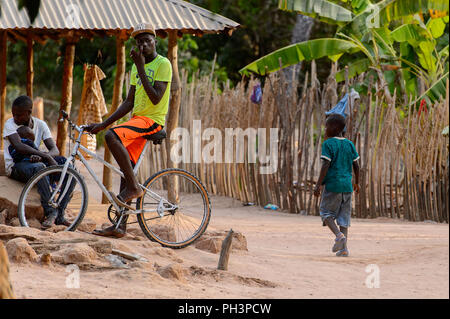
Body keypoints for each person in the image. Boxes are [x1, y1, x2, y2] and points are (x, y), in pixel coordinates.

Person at [86, 23, 173, 238]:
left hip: (153, 120)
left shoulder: (163, 64)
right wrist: (102, 124)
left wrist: (141, 66)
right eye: (139, 41)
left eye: (147, 40)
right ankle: (120, 226)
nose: (143, 45)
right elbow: (129, 102)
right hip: (137, 120)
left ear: (155, 42)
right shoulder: (136, 67)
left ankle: (134, 188)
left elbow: (155, 97)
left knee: (111, 137)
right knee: (127, 170)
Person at [3, 95, 72, 228]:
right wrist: (44, 156)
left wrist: (44, 156)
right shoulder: (10, 124)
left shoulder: (41, 124)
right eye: (13, 114)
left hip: (35, 162)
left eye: (19, 115)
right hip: (16, 166)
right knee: (40, 167)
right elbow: (19, 146)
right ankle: (50, 212)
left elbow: (54, 149)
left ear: (29, 112)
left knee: (69, 168)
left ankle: (60, 214)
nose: (15, 118)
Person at [313, 113, 360, 257]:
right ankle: (344, 249)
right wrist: (357, 182)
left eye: (326, 126)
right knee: (344, 217)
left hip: (333, 184)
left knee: (326, 213)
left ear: (334, 127)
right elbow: (357, 165)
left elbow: (326, 164)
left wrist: (318, 184)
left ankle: (339, 236)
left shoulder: (328, 144)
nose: (325, 129)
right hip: (347, 186)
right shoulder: (349, 144)